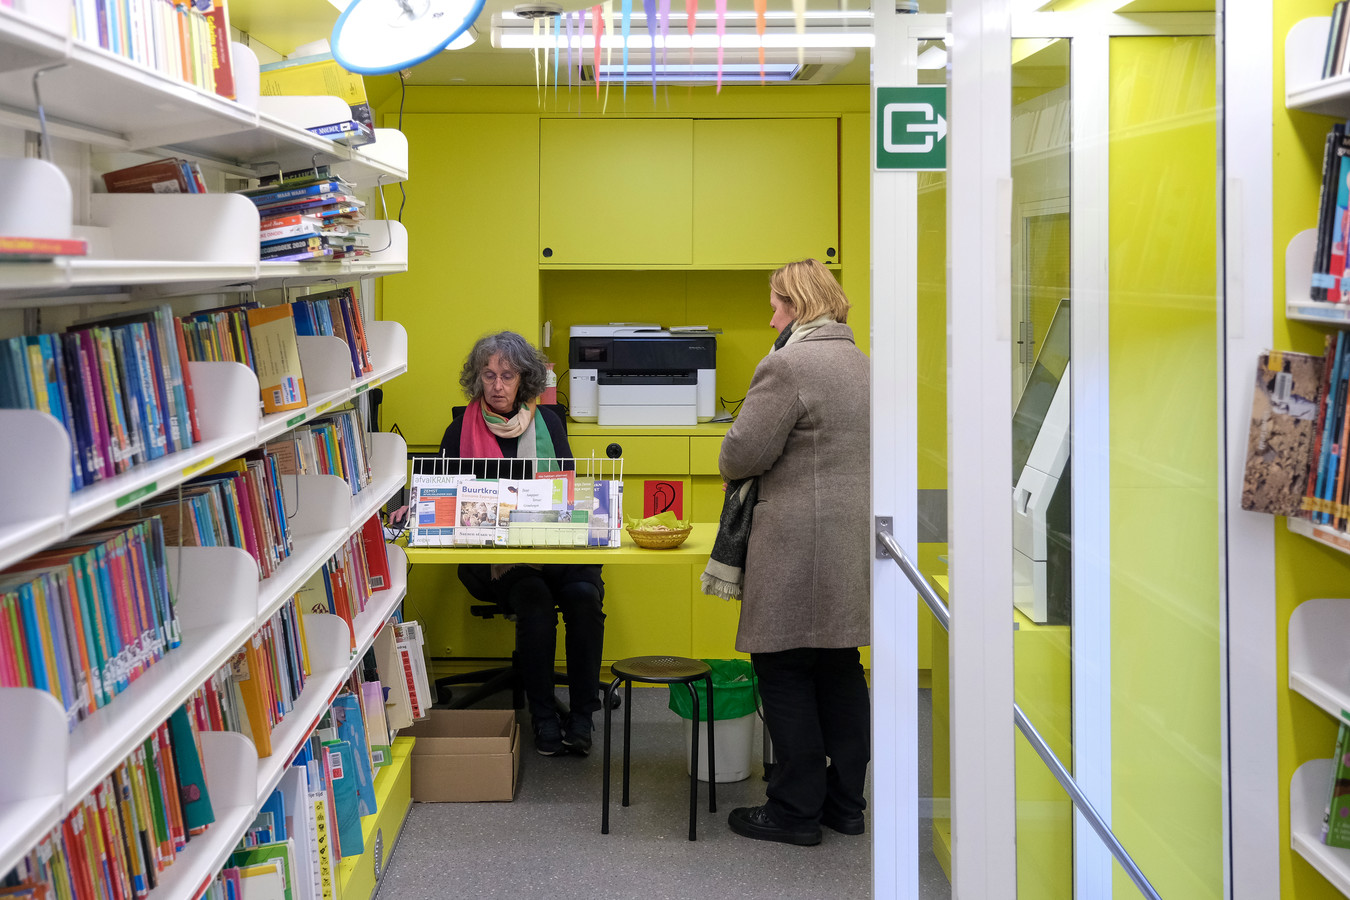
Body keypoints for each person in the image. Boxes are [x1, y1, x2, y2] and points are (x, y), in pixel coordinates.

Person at [715, 259, 872, 846]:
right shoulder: (862, 365)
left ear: (799, 305)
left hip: (795, 546)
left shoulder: (788, 365)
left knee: (782, 668)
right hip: (848, 541)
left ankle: (794, 812)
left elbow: (739, 455)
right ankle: (846, 805)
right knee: (838, 665)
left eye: (776, 304)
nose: (770, 315)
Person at [439, 331, 606, 758]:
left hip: (555, 549)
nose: (496, 385)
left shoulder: (549, 423)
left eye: (507, 375)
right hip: (498, 559)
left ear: (524, 381)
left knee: (585, 597)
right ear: (477, 379)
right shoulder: (460, 430)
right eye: (488, 375)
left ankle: (584, 715)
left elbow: (568, 495)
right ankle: (545, 717)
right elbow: (438, 497)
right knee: (533, 601)